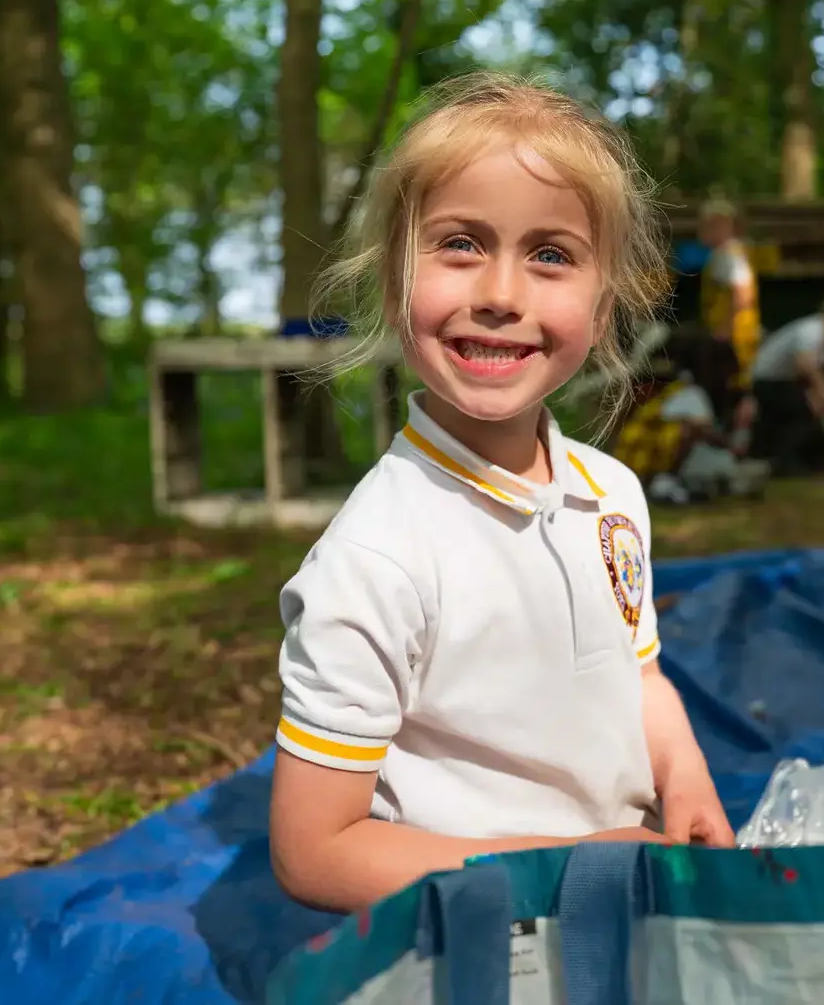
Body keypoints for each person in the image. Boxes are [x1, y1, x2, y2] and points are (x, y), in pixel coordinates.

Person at [269, 74, 735, 913]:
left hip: (629, 895)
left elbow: (642, 678)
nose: (500, 295)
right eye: (460, 244)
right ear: (392, 283)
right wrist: (570, 868)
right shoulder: (375, 560)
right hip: (479, 934)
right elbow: (316, 853)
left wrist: (685, 775)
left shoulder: (615, 494)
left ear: (602, 311)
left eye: (550, 255)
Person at [612, 330, 769, 503]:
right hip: (674, 471)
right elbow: (706, 435)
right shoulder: (692, 396)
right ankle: (669, 483)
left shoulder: (672, 391)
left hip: (641, 468)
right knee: (757, 472)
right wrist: (741, 427)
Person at [748, 288, 824, 475]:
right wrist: (822, 390)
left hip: (786, 382)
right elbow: (804, 363)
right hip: (768, 382)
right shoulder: (811, 330)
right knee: (802, 414)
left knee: (815, 415)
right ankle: (785, 460)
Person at [697, 198, 761, 447]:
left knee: (736, 389)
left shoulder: (728, 255)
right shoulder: (730, 253)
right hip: (738, 333)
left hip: (734, 337)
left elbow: (742, 293)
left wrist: (724, 330)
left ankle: (737, 442)